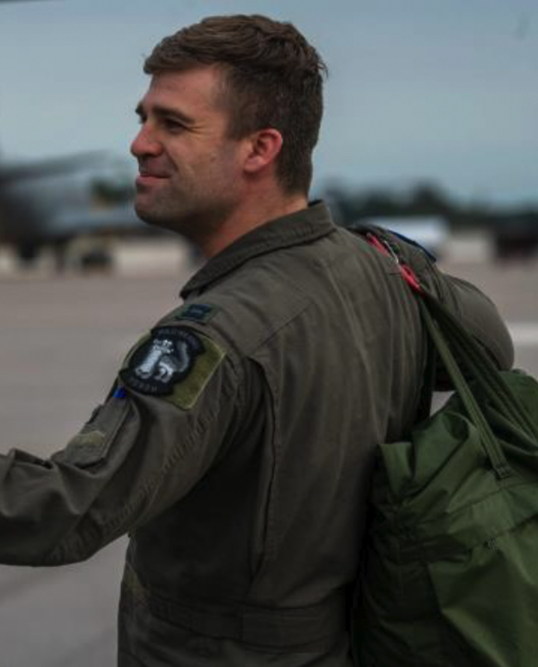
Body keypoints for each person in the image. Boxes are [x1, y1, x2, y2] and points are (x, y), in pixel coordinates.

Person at [0, 14, 513, 667]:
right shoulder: (386, 266)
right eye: (144, 118)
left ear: (260, 149)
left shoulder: (218, 334)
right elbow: (489, 347)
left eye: (173, 124)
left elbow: (64, 511)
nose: (139, 144)